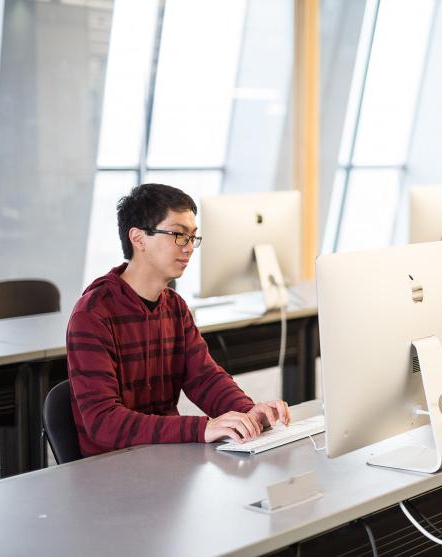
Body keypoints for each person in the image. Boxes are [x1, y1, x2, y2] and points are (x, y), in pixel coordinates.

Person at [67, 183, 290, 457]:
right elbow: (103, 422)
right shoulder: (93, 315)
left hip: (166, 456)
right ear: (138, 238)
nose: (188, 248)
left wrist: (247, 412)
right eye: (177, 235)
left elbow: (205, 378)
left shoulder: (174, 306)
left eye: (192, 237)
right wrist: (201, 428)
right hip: (111, 466)